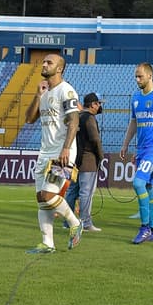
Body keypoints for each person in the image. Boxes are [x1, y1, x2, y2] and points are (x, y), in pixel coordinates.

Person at [22, 53, 85, 254]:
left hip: (61, 152)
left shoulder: (66, 91)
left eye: (49, 62)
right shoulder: (46, 92)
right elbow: (29, 119)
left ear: (59, 68)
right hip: (44, 153)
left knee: (48, 195)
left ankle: (75, 223)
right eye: (44, 61)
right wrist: (38, 96)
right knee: (41, 200)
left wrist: (66, 148)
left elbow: (74, 121)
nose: (45, 64)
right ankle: (47, 243)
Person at [119, 63, 153, 244]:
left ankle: (144, 227)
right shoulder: (136, 97)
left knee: (138, 183)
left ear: (150, 76)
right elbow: (133, 123)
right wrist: (125, 144)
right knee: (150, 189)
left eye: (140, 76)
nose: (137, 80)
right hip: (142, 150)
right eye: (136, 76)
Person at [64, 92, 103, 232]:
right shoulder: (90, 118)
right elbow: (95, 139)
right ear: (93, 104)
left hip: (76, 160)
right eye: (98, 103)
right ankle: (85, 222)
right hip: (89, 161)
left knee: (72, 191)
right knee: (86, 192)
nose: (99, 106)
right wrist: (101, 156)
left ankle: (67, 221)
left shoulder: (78, 117)